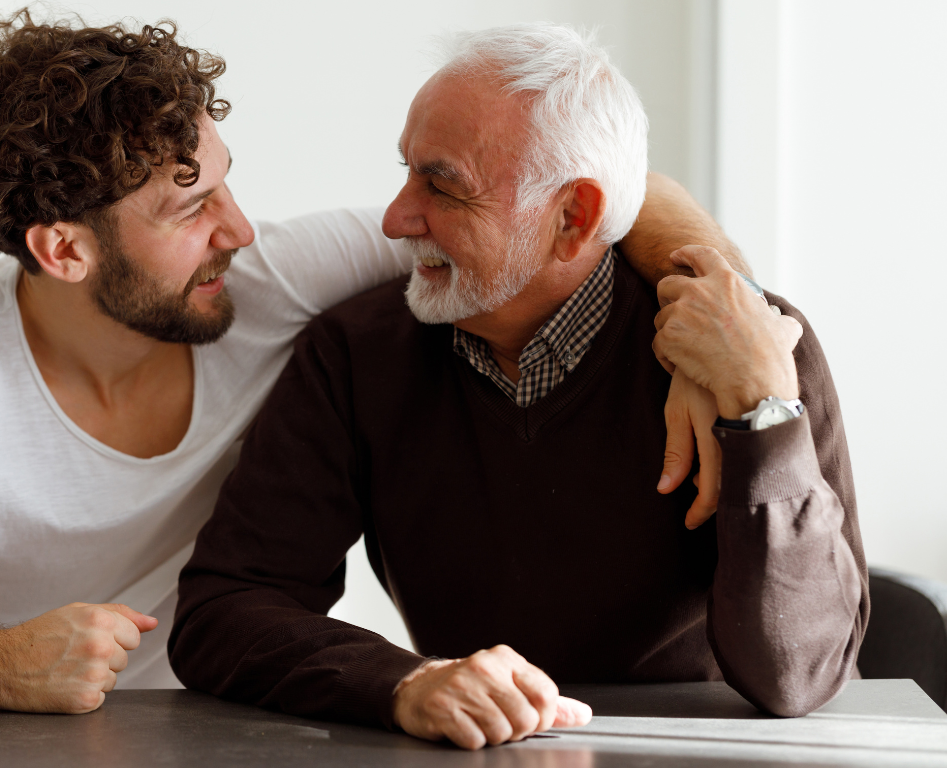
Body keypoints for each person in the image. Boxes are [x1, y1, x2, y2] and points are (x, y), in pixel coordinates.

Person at [0, 12, 748, 713]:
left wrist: (713, 320)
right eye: (189, 204)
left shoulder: (269, 281)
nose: (241, 229)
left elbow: (596, 196)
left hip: (246, 726)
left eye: (224, 178)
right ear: (63, 250)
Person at [169, 23, 866, 750]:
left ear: (574, 218)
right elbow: (226, 607)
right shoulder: (355, 354)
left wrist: (763, 414)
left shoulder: (755, 350)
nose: (396, 218)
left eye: (442, 185)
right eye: (405, 172)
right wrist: (402, 682)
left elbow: (799, 677)